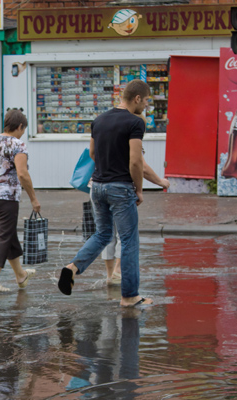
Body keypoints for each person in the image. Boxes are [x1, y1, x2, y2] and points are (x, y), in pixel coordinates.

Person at [57, 79, 153, 308]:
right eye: (147, 100)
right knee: (129, 240)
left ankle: (72, 268)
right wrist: (138, 189)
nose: (147, 106)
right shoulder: (134, 123)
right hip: (120, 188)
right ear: (137, 98)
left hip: (97, 186)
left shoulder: (99, 120)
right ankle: (130, 296)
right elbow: (136, 162)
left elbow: (92, 152)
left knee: (102, 235)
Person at [0, 109, 41, 293]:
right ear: (20, 126)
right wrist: (33, 199)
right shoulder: (18, 144)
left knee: (8, 235)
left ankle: (20, 275)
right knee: (4, 237)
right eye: (23, 129)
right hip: (6, 198)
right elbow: (22, 174)